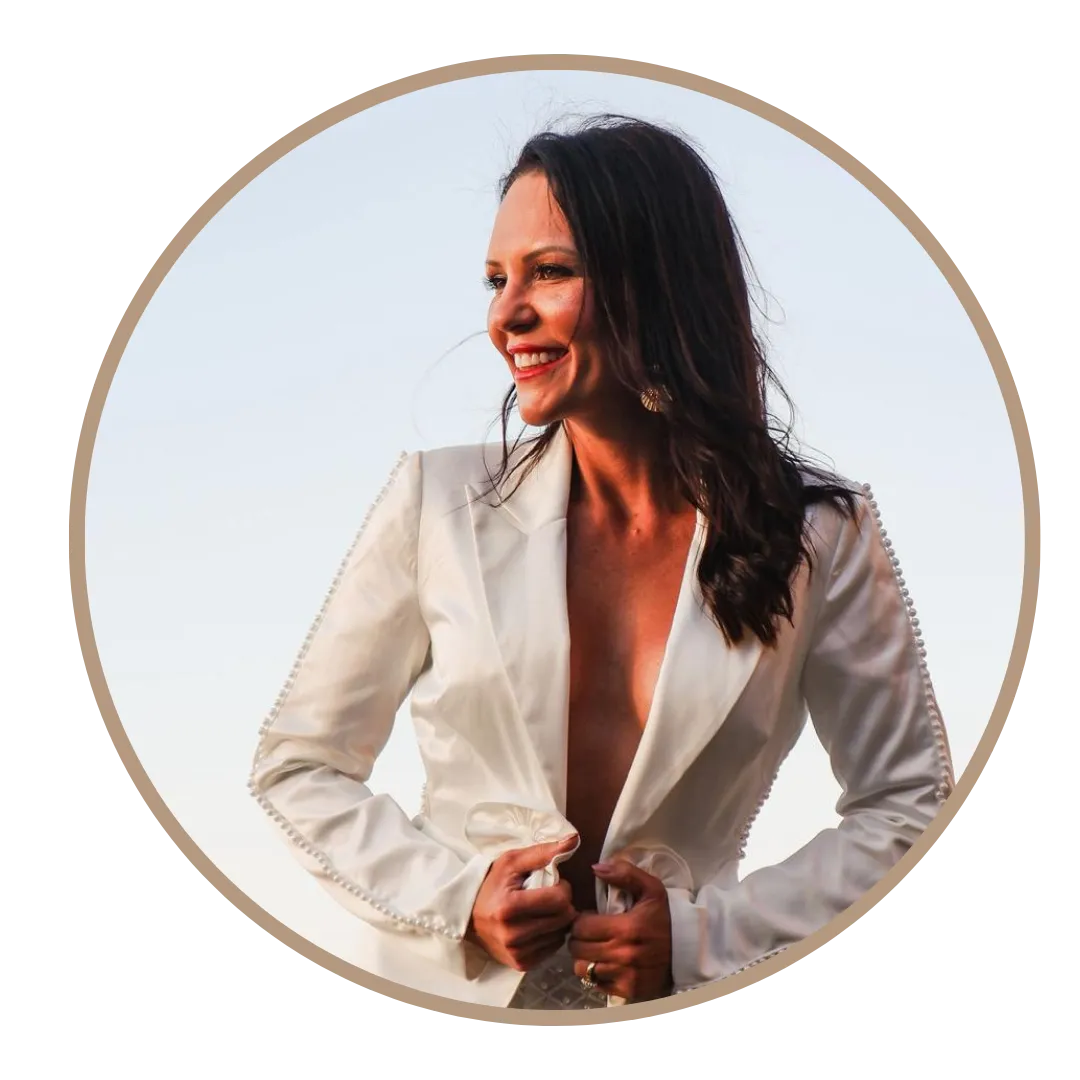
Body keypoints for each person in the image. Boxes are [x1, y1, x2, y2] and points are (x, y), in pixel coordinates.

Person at [248, 114, 955, 1011]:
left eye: (550, 271)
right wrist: (457, 899)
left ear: (656, 281)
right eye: (497, 279)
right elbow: (299, 765)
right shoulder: (438, 502)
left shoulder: (821, 534)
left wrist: (706, 939)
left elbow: (907, 804)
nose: (506, 315)